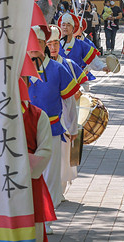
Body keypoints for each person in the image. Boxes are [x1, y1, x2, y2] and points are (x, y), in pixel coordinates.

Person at [0, 99, 57, 242]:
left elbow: (45, 151)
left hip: (28, 184)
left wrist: (18, 166)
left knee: (29, 229)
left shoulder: (38, 115)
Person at [28, 25, 82, 234]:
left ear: (44, 45)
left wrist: (72, 128)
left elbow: (69, 102)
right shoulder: (18, 69)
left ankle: (44, 219)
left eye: (37, 44)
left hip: (51, 127)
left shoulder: (58, 69)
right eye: (29, 45)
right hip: (23, 131)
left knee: (50, 176)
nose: (33, 49)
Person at [45, 25, 89, 198]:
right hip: (44, 121)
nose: (53, 47)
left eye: (56, 43)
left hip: (64, 119)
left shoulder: (67, 65)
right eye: (49, 44)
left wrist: (80, 92)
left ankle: (58, 192)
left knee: (63, 159)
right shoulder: (37, 67)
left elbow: (82, 86)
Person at [59, 13, 109, 90]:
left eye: (68, 25)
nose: (65, 27)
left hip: (77, 82)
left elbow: (93, 59)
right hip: (60, 83)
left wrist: (103, 67)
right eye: (63, 25)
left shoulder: (81, 44)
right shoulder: (55, 45)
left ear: (73, 28)